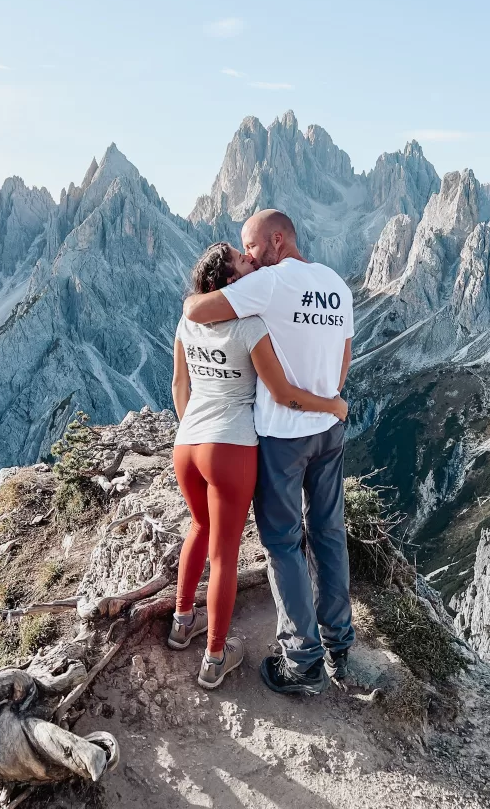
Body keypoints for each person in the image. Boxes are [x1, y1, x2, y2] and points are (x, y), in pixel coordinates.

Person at [183, 210, 355, 695]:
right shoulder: (336, 285)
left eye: (250, 245)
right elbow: (341, 367)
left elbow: (196, 312)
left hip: (282, 435)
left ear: (276, 240)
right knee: (328, 532)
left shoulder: (273, 283)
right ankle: (339, 642)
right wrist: (326, 402)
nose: (250, 257)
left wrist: (206, 283)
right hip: (329, 429)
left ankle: (302, 660)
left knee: (282, 542)